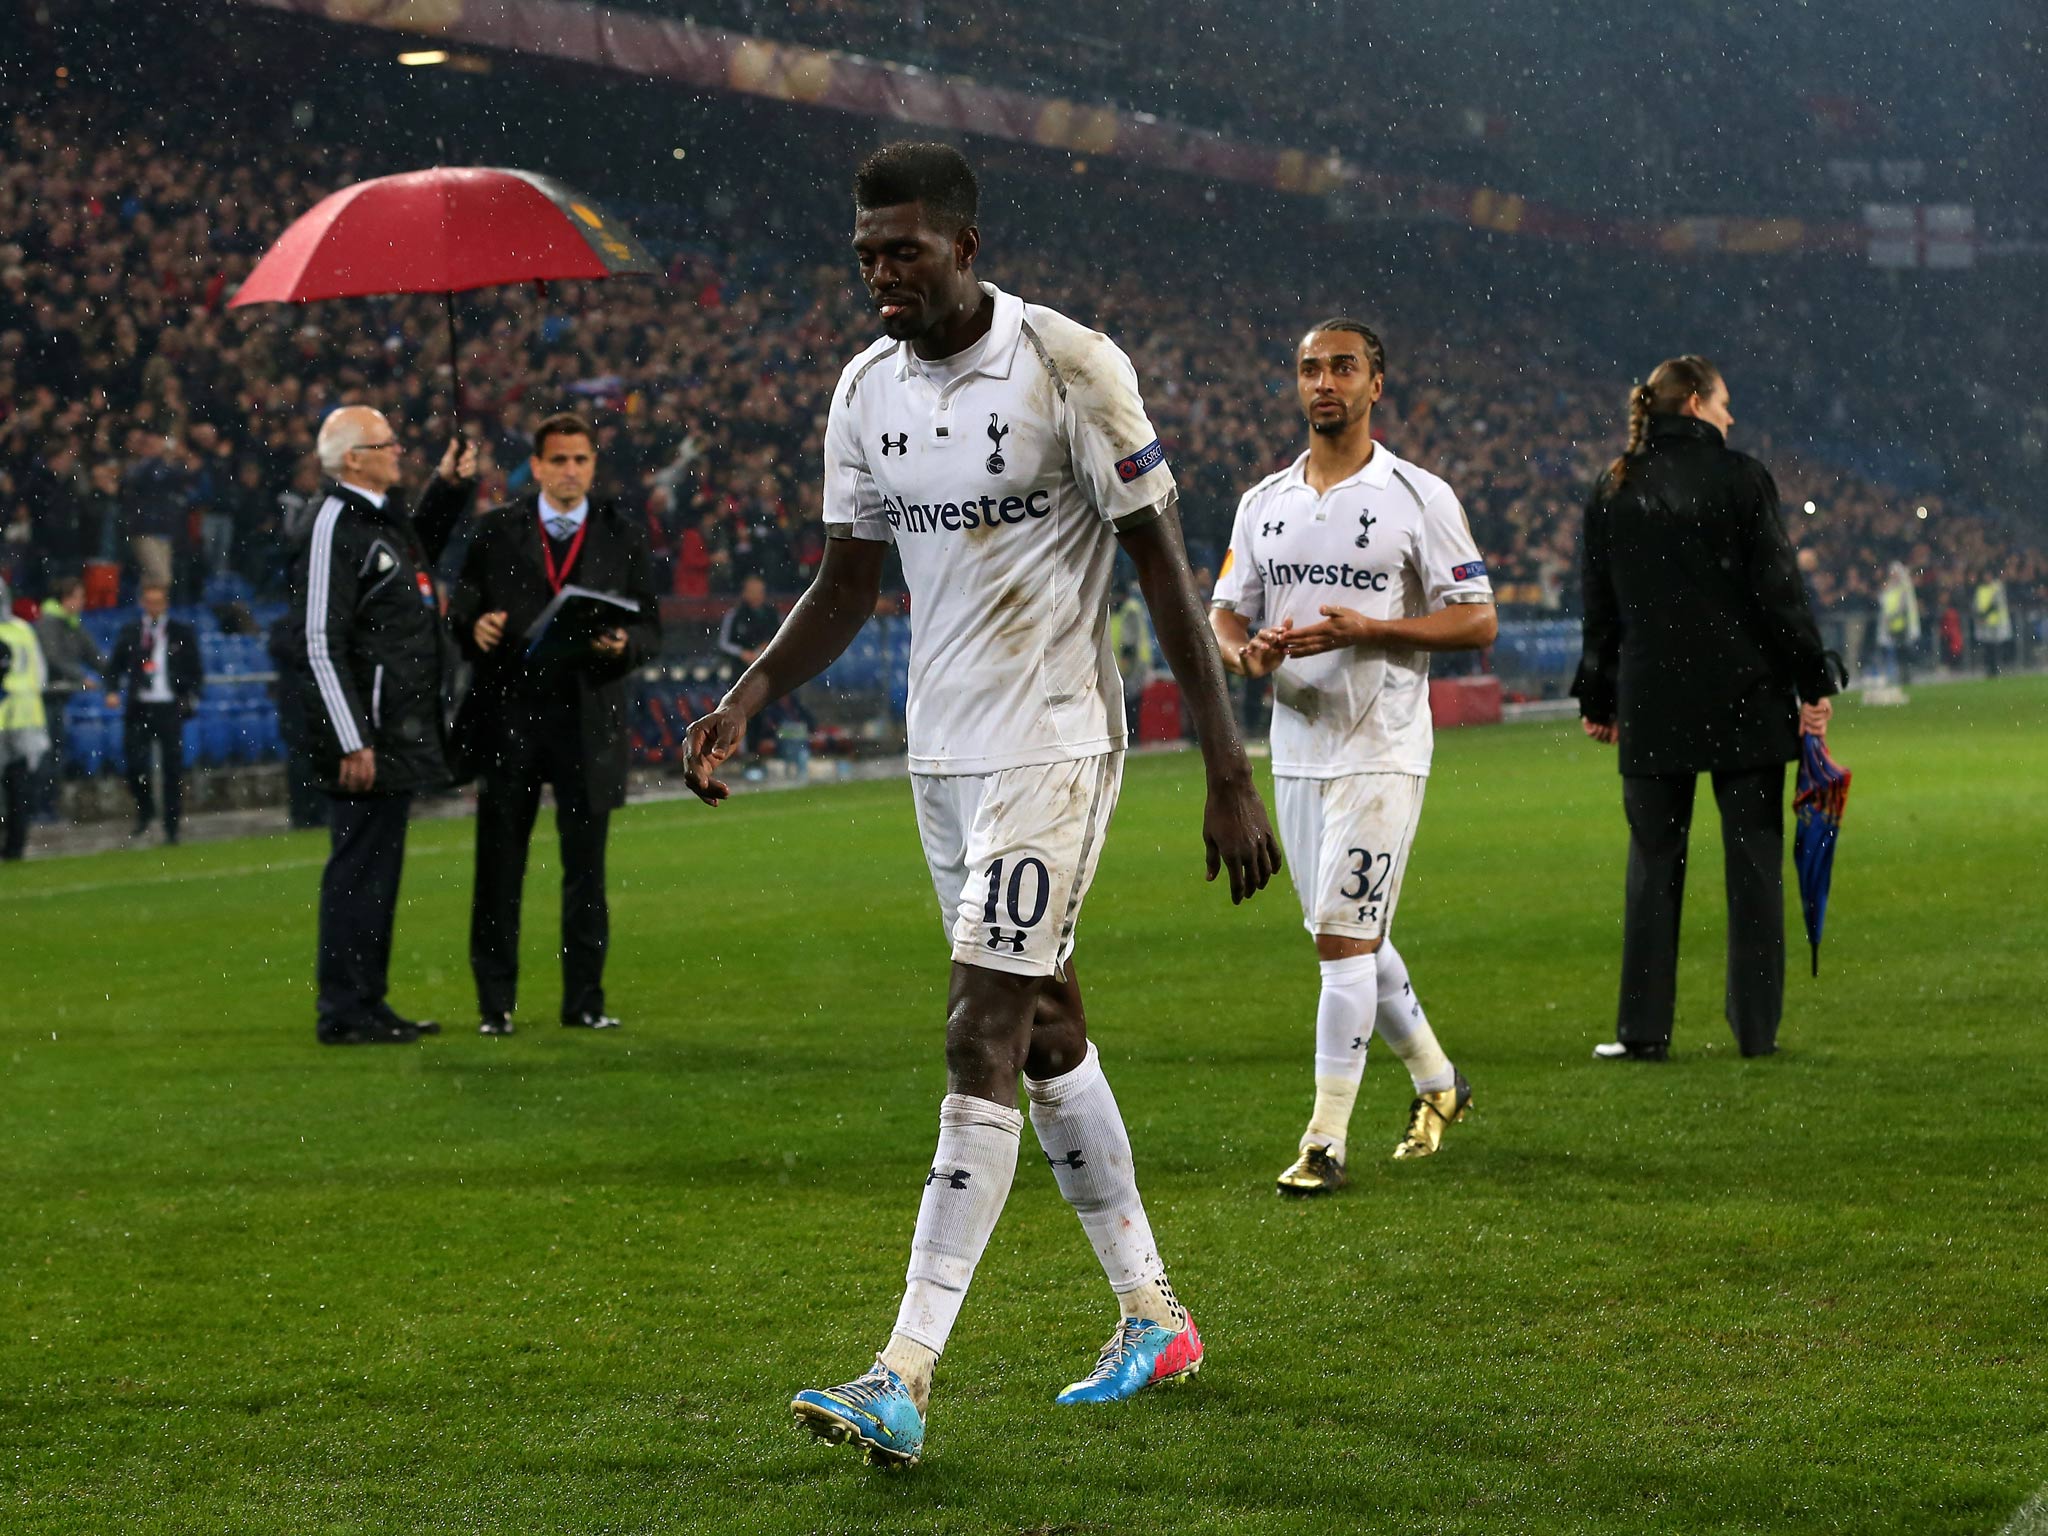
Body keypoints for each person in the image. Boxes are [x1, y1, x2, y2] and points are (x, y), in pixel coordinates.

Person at [682, 142, 1279, 1469]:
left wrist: (1227, 772)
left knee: (979, 1029)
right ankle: (1153, 1315)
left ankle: (901, 1370)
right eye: (863, 256)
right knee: (1050, 1028)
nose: (880, 276)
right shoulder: (863, 391)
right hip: (941, 758)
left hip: (1056, 746)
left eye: (902, 250)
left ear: (962, 243)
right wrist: (749, 695)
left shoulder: (1071, 364)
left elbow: (1167, 574)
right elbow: (845, 581)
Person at [1210, 319, 1497, 1197]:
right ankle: (1440, 1085)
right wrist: (1244, 653)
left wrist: (1375, 628)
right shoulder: (1264, 502)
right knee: (1355, 941)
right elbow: (1224, 611)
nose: (1323, 381)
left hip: (1383, 746)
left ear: (1378, 383)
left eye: (1343, 367)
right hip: (1296, 749)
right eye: (1309, 368)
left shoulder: (1420, 495)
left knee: (1342, 940)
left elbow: (1477, 617)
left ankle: (1324, 1141)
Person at [1572, 356, 1836, 1062]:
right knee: (1754, 866)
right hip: (1745, 699)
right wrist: (1814, 682)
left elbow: (1600, 609)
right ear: (1693, 404)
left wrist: (1598, 696)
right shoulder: (1742, 479)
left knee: (1653, 863)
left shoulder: (1613, 486)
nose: (1731, 417)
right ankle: (1756, 1031)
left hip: (1653, 701)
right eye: (1724, 403)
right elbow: (1780, 594)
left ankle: (1643, 1032)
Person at [450, 412, 659, 1036]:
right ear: (536, 467)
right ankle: (494, 1006)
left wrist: (623, 644)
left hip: (586, 718)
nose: (570, 472)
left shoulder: (622, 532)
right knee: (498, 868)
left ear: (593, 467)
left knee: (586, 872)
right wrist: (473, 626)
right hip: (509, 717)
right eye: (558, 461)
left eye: (580, 460)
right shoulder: (494, 533)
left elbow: (651, 626)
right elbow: (461, 608)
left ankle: (584, 1002)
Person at [283, 407, 477, 1046]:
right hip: (366, 730)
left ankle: (367, 1001)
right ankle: (343, 1009)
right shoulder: (334, 521)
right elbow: (317, 637)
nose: (399, 449)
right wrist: (350, 737)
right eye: (385, 442)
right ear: (352, 459)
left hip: (394, 724)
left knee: (376, 869)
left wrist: (448, 489)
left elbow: (412, 553)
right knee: (359, 869)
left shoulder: (374, 517)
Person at [105, 581, 203, 843]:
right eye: (149, 602)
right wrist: (112, 690)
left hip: (169, 706)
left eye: (158, 602)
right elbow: (114, 666)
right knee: (136, 764)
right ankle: (145, 810)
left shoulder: (181, 632)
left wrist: (188, 693)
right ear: (142, 604)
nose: (154, 608)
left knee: (172, 768)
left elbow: (195, 670)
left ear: (166, 604)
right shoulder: (131, 632)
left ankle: (172, 826)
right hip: (140, 706)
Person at [35, 577, 107, 817]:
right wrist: (79, 678)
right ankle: (40, 806)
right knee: (46, 754)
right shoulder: (48, 623)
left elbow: (93, 655)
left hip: (59, 698)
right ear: (67, 599)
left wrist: (114, 670)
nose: (83, 602)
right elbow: (53, 656)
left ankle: (48, 804)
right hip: (44, 698)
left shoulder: (71, 623)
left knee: (55, 752)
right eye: (79, 597)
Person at [0, 577, 51, 860]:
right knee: (18, 787)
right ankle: (15, 845)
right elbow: (40, 675)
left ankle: (12, 844)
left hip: (7, 718)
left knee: (13, 790)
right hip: (26, 718)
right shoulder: (23, 630)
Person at [715, 573, 780, 668]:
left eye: (760, 591)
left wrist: (767, 647)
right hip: (739, 667)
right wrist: (741, 653)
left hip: (767, 666)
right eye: (753, 591)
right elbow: (723, 643)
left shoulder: (773, 614)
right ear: (744, 593)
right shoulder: (734, 615)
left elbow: (780, 636)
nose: (757, 595)